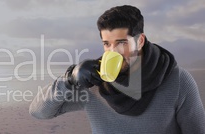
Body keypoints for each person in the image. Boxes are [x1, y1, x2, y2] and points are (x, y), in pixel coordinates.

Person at [29, 5, 205, 134]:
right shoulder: (93, 81)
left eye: (121, 43)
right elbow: (38, 112)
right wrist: (69, 79)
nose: (113, 52)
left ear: (140, 41)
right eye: (107, 44)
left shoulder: (179, 81)